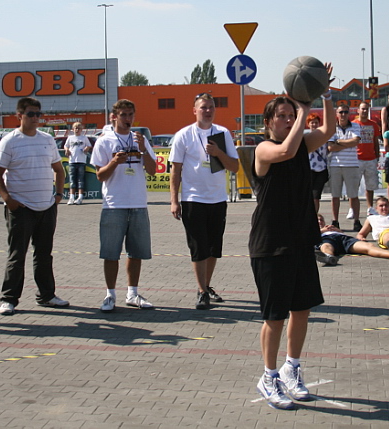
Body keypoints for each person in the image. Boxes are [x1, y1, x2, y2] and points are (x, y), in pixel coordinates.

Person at [249, 64, 335, 410]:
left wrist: (325, 93)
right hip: (270, 243)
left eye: (290, 114)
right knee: (275, 316)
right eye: (281, 116)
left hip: (300, 239)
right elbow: (284, 151)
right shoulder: (263, 149)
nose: (288, 119)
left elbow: (328, 130)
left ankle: (291, 368)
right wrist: (302, 111)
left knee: (302, 309)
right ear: (268, 123)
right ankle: (268, 376)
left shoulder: (302, 144)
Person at [0, 97, 69, 316]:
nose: (35, 118)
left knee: (44, 255)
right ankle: (9, 299)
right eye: (31, 114)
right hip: (21, 208)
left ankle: (46, 295)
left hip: (46, 206)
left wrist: (58, 195)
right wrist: (8, 200)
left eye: (38, 114)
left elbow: (59, 170)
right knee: (17, 255)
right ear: (20, 115)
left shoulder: (47, 139)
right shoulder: (9, 141)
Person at [170, 93, 239, 310]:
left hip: (217, 198)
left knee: (213, 247)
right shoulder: (183, 135)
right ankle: (201, 291)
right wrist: (174, 200)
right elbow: (175, 170)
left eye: (211, 107)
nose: (208, 111)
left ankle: (207, 286)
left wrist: (218, 153)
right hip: (193, 199)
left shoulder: (223, 133)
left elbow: (235, 167)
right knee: (198, 247)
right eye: (203, 107)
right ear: (194, 110)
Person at [90, 99, 157, 312]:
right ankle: (110, 295)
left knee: (136, 252)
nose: (128, 119)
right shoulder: (104, 141)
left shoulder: (140, 139)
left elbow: (153, 170)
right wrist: (114, 162)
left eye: (130, 115)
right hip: (114, 204)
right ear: (114, 117)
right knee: (111, 253)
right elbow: (100, 175)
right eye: (123, 115)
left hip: (138, 203)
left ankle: (133, 293)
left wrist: (143, 149)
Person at [315, 213, 389, 264]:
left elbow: (344, 235)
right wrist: (321, 231)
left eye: (321, 220)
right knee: (326, 246)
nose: (320, 222)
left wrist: (338, 230)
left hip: (344, 239)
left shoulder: (331, 228)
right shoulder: (312, 229)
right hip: (326, 239)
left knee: (368, 246)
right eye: (317, 220)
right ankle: (329, 257)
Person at [327, 104, 362, 231]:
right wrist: (349, 143)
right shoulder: (332, 128)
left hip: (351, 164)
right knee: (335, 195)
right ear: (337, 114)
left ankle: (357, 221)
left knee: (353, 195)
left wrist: (339, 142)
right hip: (335, 165)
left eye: (345, 112)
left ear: (349, 113)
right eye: (341, 112)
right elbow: (331, 147)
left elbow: (356, 141)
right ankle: (335, 220)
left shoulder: (356, 126)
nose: (343, 114)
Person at [353, 101, 381, 216]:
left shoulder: (373, 124)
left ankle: (370, 207)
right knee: (354, 185)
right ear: (358, 110)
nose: (364, 111)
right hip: (357, 158)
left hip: (370, 159)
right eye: (363, 109)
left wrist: (377, 155)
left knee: (370, 186)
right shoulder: (353, 124)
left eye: (366, 109)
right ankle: (353, 209)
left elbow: (376, 142)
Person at [64, 122, 92, 205]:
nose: (77, 130)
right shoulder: (70, 138)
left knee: (80, 180)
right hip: (72, 161)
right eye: (75, 128)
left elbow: (89, 145)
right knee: (72, 180)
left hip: (81, 161)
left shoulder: (84, 138)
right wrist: (66, 150)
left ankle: (80, 197)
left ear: (81, 130)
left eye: (79, 128)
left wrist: (86, 148)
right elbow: (66, 145)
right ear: (73, 129)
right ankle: (71, 197)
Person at [306, 112, 329, 213]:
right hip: (308, 169)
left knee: (316, 196)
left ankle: (314, 215)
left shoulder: (323, 137)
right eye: (312, 123)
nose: (314, 124)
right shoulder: (305, 137)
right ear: (308, 124)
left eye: (316, 122)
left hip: (321, 169)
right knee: (307, 195)